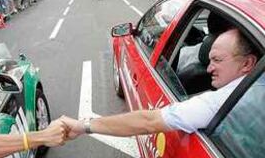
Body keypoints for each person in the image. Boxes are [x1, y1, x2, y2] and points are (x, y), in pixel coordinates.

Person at [60, 28, 258, 138]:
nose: (208, 69)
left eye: (217, 60)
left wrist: (82, 125)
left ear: (248, 63)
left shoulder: (218, 102)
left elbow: (148, 122)